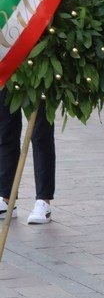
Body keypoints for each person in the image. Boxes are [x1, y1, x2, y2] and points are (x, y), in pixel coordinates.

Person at [0, 93, 55, 225]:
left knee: (41, 134)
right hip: (6, 74)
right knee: (5, 131)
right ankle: (6, 197)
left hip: (37, 74)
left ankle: (43, 200)